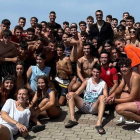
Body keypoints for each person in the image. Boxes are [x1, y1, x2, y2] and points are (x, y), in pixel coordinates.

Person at [65, 64, 108, 135]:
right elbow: (77, 92)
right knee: (71, 94)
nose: (95, 74)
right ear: (91, 72)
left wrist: (106, 99)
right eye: (94, 72)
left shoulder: (103, 83)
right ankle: (72, 119)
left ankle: (98, 123)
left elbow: (106, 96)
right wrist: (69, 94)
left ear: (100, 73)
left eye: (97, 72)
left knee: (102, 97)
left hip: (94, 107)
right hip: (84, 104)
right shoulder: (87, 81)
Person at [104, 58, 140, 132]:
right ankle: (129, 117)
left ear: (130, 67)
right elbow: (120, 87)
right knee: (117, 95)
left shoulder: (135, 77)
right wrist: (112, 96)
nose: (123, 69)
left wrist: (114, 101)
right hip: (136, 99)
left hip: (137, 100)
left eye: (125, 67)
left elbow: (131, 98)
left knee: (119, 109)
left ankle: (136, 118)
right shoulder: (125, 75)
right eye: (121, 67)